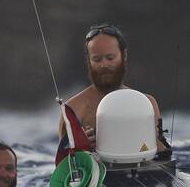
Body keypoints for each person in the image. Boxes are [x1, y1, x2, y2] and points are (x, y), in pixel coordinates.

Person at [57, 23, 170, 157]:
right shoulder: (73, 110)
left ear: (124, 55)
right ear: (89, 61)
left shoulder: (147, 104)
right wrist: (80, 148)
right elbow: (63, 168)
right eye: (96, 59)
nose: (104, 65)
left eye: (110, 58)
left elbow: (163, 158)